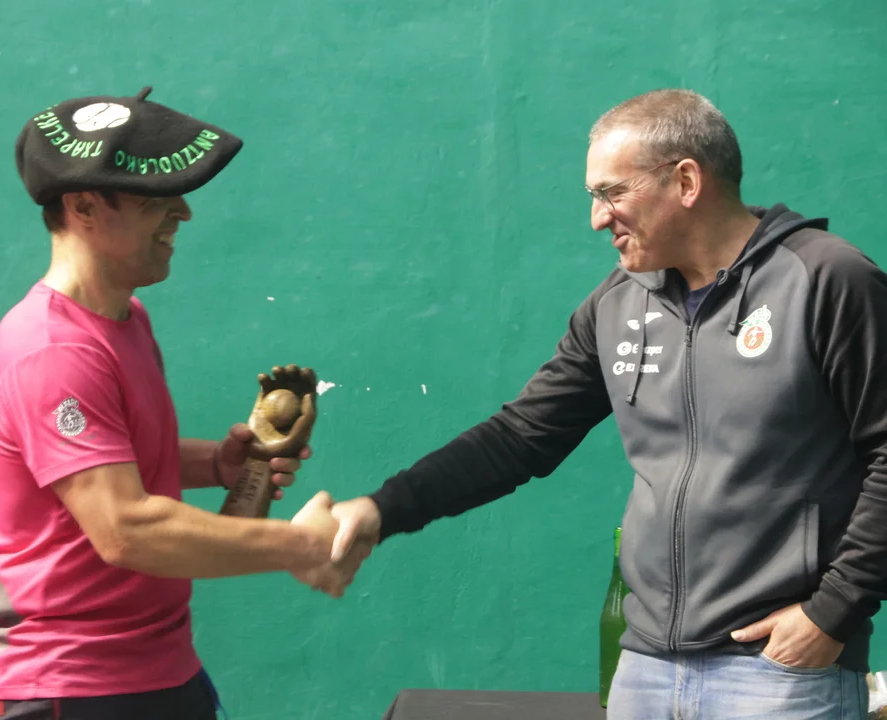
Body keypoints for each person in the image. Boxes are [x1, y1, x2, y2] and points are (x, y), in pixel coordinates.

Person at [328, 89, 887, 718]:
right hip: (644, 671)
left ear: (686, 181)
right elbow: (521, 436)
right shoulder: (618, 301)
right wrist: (383, 509)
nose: (599, 218)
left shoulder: (827, 279)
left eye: (611, 193)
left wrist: (833, 612)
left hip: (779, 674)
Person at [0, 87, 361, 720]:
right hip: (70, 688)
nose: (184, 212)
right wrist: (298, 546)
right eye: (155, 198)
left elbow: (101, 460)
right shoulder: (52, 351)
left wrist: (219, 465)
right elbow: (126, 529)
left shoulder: (125, 319)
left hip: (157, 670)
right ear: (83, 205)